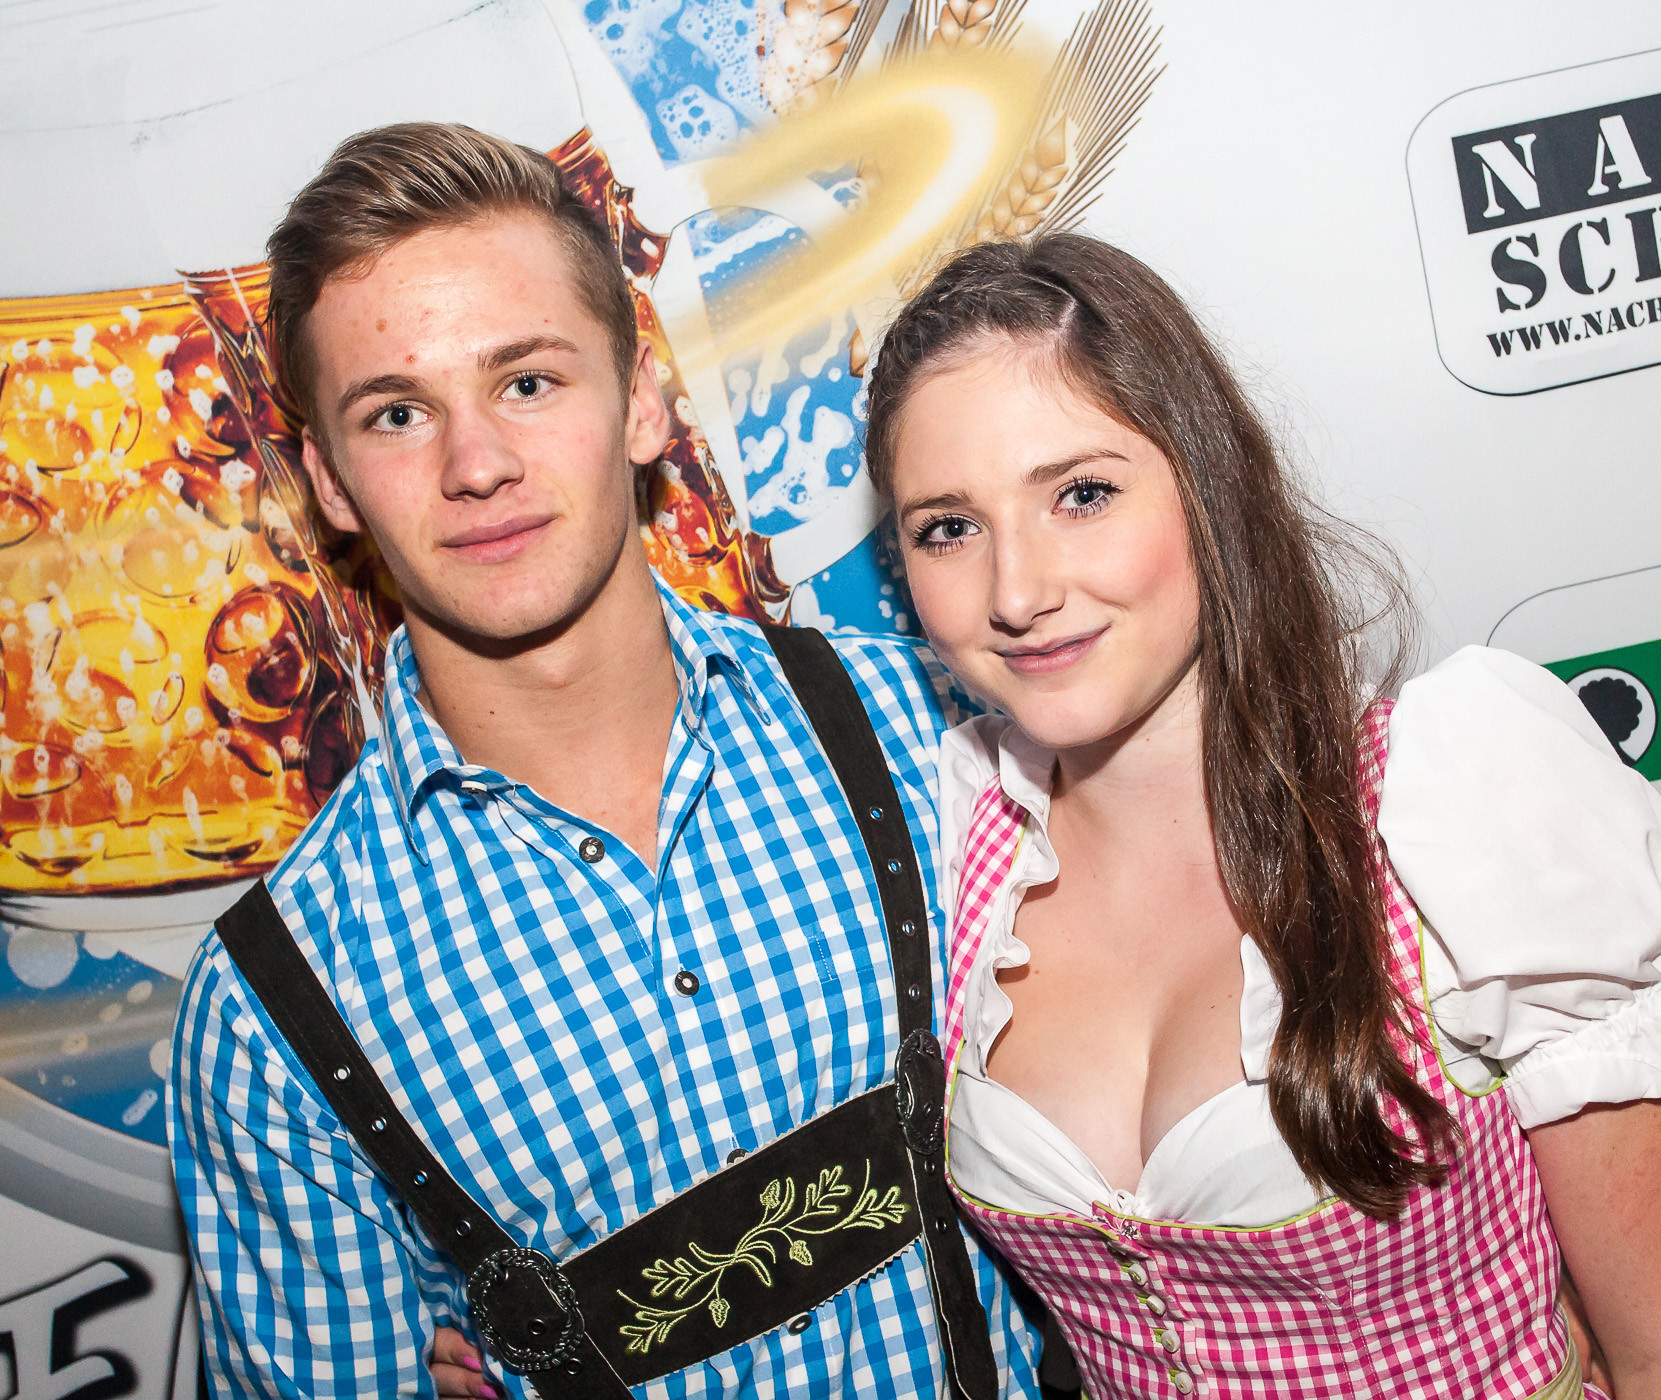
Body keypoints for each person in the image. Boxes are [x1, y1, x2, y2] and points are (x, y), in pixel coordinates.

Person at [166, 123, 1047, 1399]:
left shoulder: (930, 731)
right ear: (331, 485)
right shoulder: (273, 1013)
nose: (478, 465)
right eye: (399, 413)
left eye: (528, 381)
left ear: (639, 399)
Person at [860, 233, 1661, 1399]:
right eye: (949, 526)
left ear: (1208, 485)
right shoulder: (952, 841)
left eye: (1081, 494)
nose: (1018, 590)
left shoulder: (1451, 802)